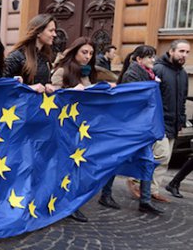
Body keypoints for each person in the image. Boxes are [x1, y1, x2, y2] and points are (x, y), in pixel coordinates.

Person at [50, 37, 109, 222]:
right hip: (64, 128)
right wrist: (71, 92)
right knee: (65, 167)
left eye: (91, 54)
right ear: (75, 51)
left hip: (83, 127)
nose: (87, 57)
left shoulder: (88, 73)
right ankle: (63, 203)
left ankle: (72, 203)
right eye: (84, 52)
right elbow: (54, 99)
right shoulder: (61, 71)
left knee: (78, 167)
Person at [107, 45, 163, 215]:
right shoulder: (132, 75)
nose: (153, 60)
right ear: (139, 60)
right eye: (150, 57)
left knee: (147, 161)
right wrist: (152, 85)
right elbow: (134, 100)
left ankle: (145, 200)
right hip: (129, 127)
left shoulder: (148, 75)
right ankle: (106, 194)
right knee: (117, 161)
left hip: (141, 128)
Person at [149, 40, 190, 200]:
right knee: (161, 155)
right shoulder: (158, 69)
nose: (184, 55)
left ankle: (152, 190)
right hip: (159, 122)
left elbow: (182, 99)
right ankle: (137, 180)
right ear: (171, 51)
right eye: (181, 51)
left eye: (187, 52)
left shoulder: (183, 74)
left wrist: (181, 120)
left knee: (165, 160)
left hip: (174, 123)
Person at [4, 14, 57, 93]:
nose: (54, 34)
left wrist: (48, 85)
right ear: (38, 32)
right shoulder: (17, 56)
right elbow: (2, 82)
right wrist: (29, 88)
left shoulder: (45, 57)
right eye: (51, 30)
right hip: (19, 104)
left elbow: (43, 81)